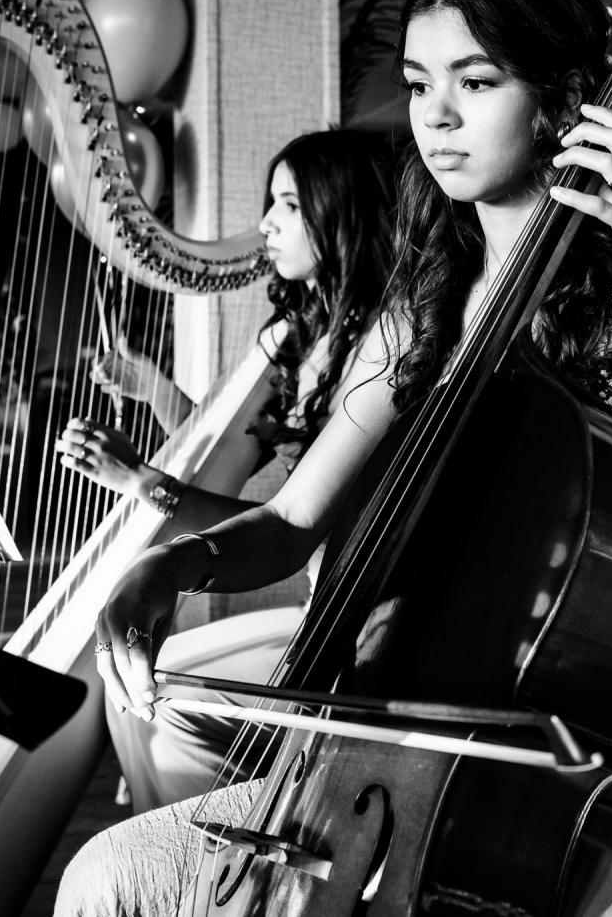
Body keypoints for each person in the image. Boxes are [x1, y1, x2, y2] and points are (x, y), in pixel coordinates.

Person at [56, 0, 612, 917]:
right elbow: (291, 521)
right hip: (435, 750)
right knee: (105, 877)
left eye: (477, 80)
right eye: (418, 84)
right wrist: (167, 564)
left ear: (560, 94)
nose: (436, 118)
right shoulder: (418, 308)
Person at [54, 127, 396, 811]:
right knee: (136, 684)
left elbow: (280, 519)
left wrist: (138, 481)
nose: (265, 223)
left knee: (156, 697)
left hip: (359, 613)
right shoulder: (295, 337)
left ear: (344, 213)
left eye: (290, 205)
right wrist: (152, 390)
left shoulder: (386, 343)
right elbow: (220, 477)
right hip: (312, 596)